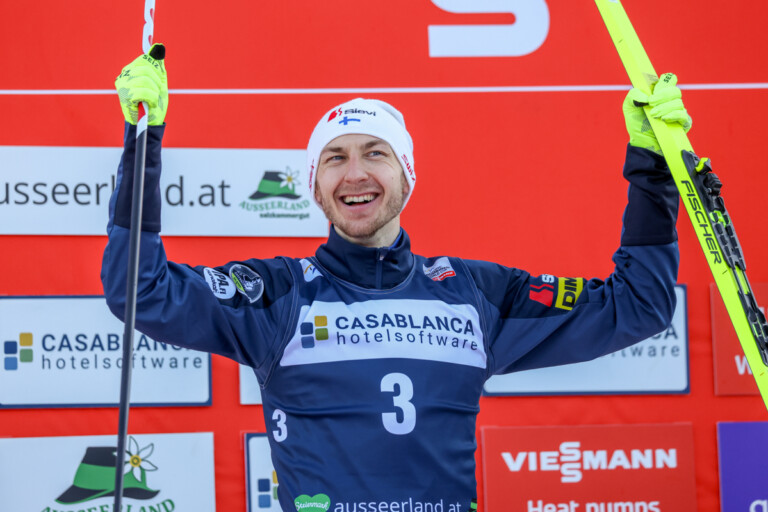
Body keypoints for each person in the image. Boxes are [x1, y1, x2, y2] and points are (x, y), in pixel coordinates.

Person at [102, 44, 687, 512]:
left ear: (406, 173)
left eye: (374, 152)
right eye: (335, 158)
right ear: (315, 185)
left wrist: (653, 168)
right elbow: (142, 289)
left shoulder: (476, 294)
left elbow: (638, 306)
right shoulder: (278, 294)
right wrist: (143, 139)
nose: (354, 173)